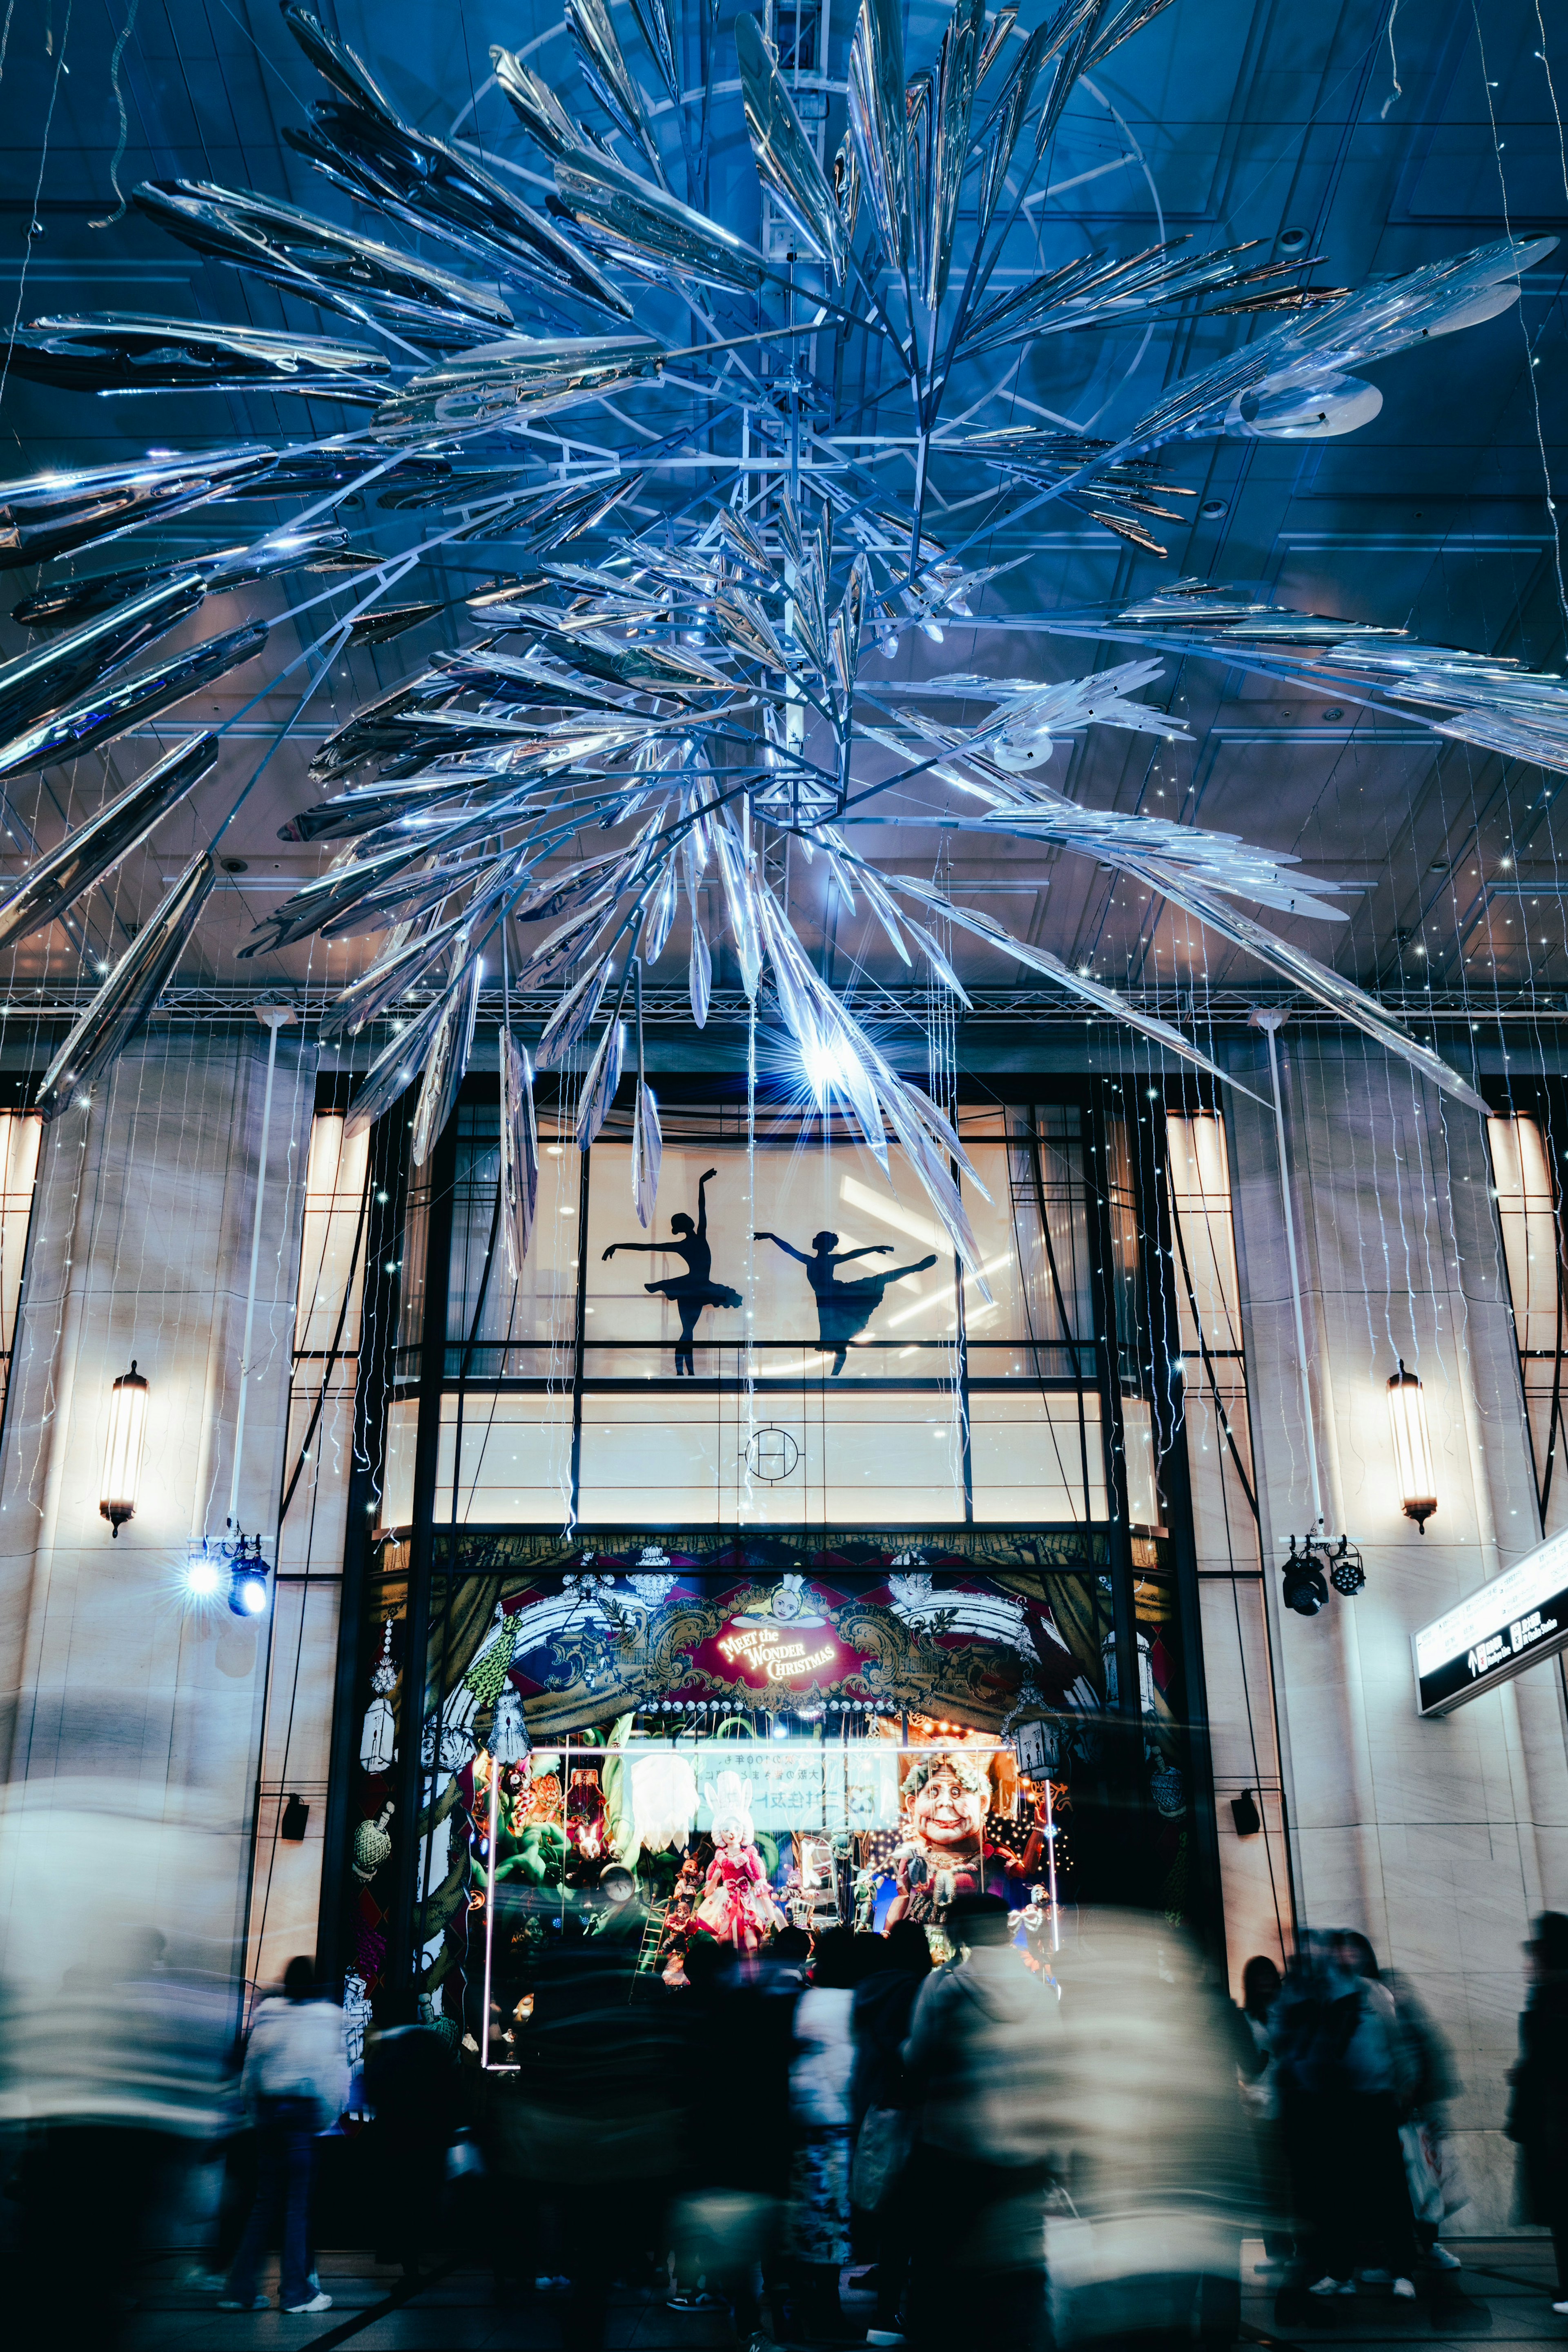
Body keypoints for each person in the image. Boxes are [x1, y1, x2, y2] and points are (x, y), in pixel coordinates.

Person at [902, 1894, 1059, 2351]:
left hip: (954, 2151)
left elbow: (917, 2058)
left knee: (950, 2271)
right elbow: (1055, 2070)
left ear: (961, 1932)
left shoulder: (942, 1988)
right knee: (1023, 2271)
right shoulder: (1039, 1991)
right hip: (1025, 2156)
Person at [219, 1956, 348, 2315]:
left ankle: (240, 2289)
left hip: (268, 2115)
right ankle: (295, 2293)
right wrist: (323, 2119)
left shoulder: (267, 2016)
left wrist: (255, 2114)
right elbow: (333, 2078)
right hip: (301, 2116)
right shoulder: (326, 2019)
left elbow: (251, 2071)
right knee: (297, 2209)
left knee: (263, 2206)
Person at [851, 1922, 933, 2346]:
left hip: (871, 2106)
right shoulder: (920, 1989)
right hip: (909, 2109)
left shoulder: (866, 1989)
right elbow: (918, 2051)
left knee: (887, 2207)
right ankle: (892, 2314)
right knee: (913, 2213)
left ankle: (884, 2301)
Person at [790, 1925, 863, 2342]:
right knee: (831, 2226)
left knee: (813, 2224)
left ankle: (809, 2305)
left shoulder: (806, 2002)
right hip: (838, 2124)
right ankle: (826, 2311)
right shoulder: (856, 2004)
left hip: (807, 2123)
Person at [603, 1167, 742, 1375]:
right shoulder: (693, 1240)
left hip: (695, 1288)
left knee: (688, 1333)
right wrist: (618, 1245)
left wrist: (701, 1183)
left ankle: (686, 1373)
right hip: (696, 1288)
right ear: (687, 1225)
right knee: (688, 1333)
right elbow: (647, 1247)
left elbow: (701, 1208)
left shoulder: (694, 1240)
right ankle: (685, 1373)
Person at [363, 1988, 457, 2283]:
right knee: (421, 2195)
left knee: (397, 2195)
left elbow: (372, 2089)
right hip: (430, 2135)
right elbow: (450, 2089)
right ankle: (415, 2251)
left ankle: (400, 2254)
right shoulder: (430, 2043)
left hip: (396, 2134)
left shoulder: (388, 2047)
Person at [753, 1227, 937, 1376]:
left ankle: (915, 1268)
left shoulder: (818, 1261)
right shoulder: (813, 1261)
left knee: (879, 1281)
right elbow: (789, 1249)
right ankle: (835, 1375)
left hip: (836, 1296)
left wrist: (873, 1248)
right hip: (829, 1301)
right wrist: (771, 1236)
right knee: (839, 1340)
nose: (818, 1242)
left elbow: (852, 1254)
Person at [1508, 1910, 1568, 2314]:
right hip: (1550, 2120)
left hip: (1558, 2122)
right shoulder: (1548, 1992)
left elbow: (1549, 2055)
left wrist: (1525, 2071)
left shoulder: (1556, 1995)